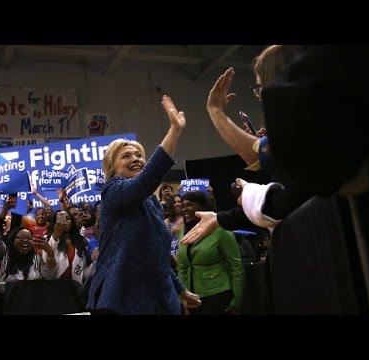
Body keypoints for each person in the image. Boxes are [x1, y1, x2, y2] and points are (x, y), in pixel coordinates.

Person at [182, 45, 309, 245]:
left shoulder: (308, 133)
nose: (260, 97)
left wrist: (249, 194)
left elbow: (284, 203)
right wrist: (220, 218)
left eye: (260, 88)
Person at [87, 95, 201, 315]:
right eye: (126, 156)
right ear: (112, 168)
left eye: (139, 155)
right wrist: (174, 131)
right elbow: (145, 182)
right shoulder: (113, 191)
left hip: (157, 300)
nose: (136, 158)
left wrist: (180, 290)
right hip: (121, 300)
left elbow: (157, 254)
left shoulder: (152, 203)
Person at [177, 191, 243, 315]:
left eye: (189, 205)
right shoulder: (183, 233)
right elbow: (181, 267)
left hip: (218, 295)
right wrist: (183, 294)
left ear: (202, 207)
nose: (184, 209)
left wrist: (237, 299)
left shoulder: (220, 229)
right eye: (182, 206)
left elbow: (236, 265)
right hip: (193, 298)